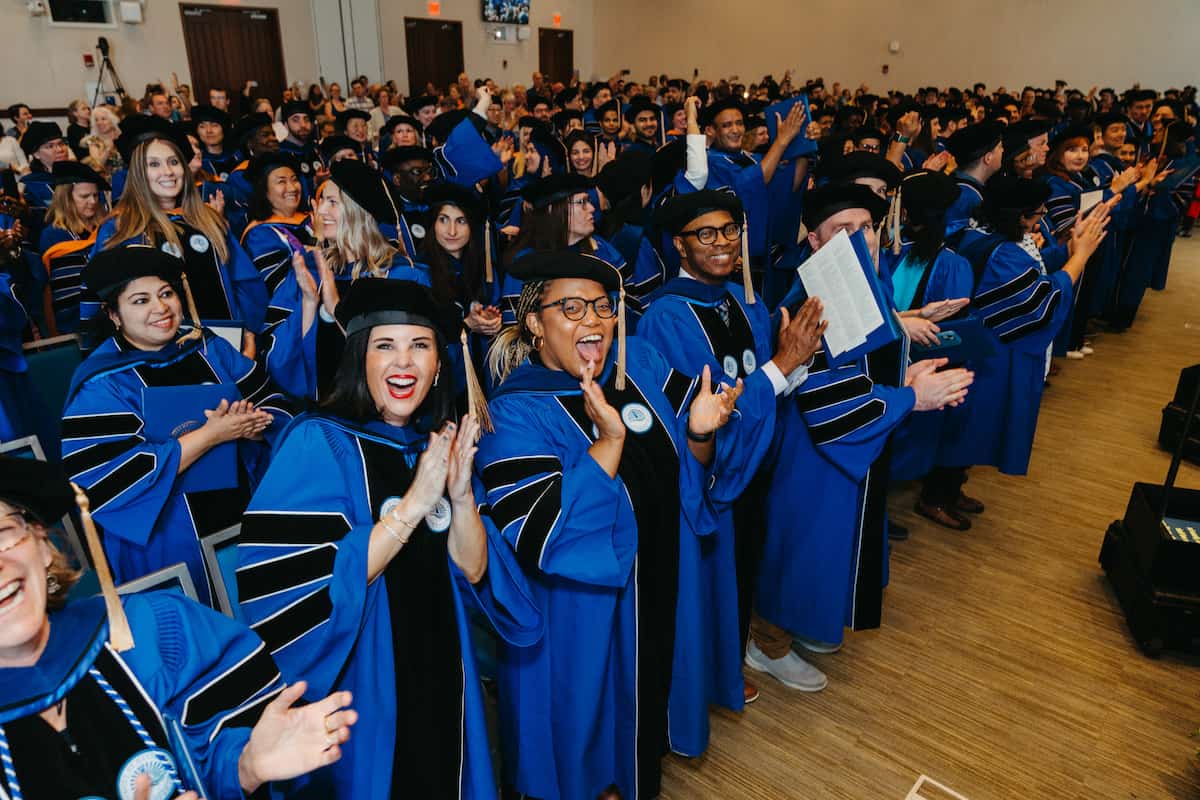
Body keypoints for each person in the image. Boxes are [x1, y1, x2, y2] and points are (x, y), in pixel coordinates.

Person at [237, 278, 540, 798]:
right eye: (385, 346)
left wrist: (461, 495)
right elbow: (305, 588)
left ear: (439, 365)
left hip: (443, 667)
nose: (404, 363)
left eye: (419, 346)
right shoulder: (318, 441)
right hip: (361, 686)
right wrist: (416, 504)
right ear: (360, 359)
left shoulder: (432, 444)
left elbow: (472, 570)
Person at [478, 250, 745, 800]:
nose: (593, 321)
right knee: (591, 750)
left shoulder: (638, 366)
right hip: (584, 618)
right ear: (534, 323)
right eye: (571, 308)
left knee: (646, 716)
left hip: (659, 585)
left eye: (602, 307)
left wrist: (699, 432)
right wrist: (609, 442)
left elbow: (685, 477)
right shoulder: (512, 414)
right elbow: (545, 532)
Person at [0, 455, 358, 800]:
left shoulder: (152, 631)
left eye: (2, 533)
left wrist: (246, 767)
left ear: (42, 544)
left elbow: (222, 758)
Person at [753, 183, 973, 690]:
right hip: (811, 454)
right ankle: (767, 644)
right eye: (842, 230)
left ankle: (802, 624)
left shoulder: (867, 284)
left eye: (867, 227)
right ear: (813, 240)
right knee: (801, 544)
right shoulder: (807, 301)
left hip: (855, 447)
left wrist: (907, 362)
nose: (862, 239)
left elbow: (869, 364)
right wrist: (910, 399)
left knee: (834, 543)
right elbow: (827, 400)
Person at [639, 189, 826, 725]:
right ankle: (712, 673)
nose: (722, 243)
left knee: (746, 572)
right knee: (712, 584)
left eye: (729, 231)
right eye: (706, 234)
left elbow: (765, 384)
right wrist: (782, 363)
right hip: (710, 481)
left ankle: (738, 652)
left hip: (754, 468)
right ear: (680, 245)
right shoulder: (666, 318)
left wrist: (795, 361)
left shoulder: (744, 301)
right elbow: (708, 412)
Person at [62, 246, 296, 606]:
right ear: (114, 314)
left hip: (244, 509)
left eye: (166, 293)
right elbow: (104, 479)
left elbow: (272, 402)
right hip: (166, 534)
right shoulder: (102, 383)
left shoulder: (207, 347)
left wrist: (256, 425)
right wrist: (210, 436)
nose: (161, 308)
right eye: (140, 300)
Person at [941, 175, 1109, 478]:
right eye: (1038, 214)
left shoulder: (980, 235)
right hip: (992, 354)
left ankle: (950, 488)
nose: (1039, 221)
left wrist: (1069, 247)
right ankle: (940, 495)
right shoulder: (1002, 252)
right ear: (1020, 215)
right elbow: (1041, 300)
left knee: (972, 424)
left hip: (980, 347)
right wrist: (1081, 256)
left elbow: (1033, 270)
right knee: (973, 426)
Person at [88, 127, 267, 344]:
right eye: (154, 164)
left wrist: (248, 331)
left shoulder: (207, 219)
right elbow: (105, 303)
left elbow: (245, 282)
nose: (168, 171)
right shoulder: (120, 228)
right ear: (138, 174)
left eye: (174, 162)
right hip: (158, 354)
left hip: (226, 344)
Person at [877, 169, 977, 530]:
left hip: (887, 356)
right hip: (921, 364)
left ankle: (879, 509)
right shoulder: (952, 263)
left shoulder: (889, 249)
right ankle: (879, 513)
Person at [499, 174, 627, 325]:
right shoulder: (527, 265)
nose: (592, 208)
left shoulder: (603, 250)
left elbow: (627, 307)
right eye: (582, 202)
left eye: (589, 201)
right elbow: (516, 328)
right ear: (553, 209)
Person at [38, 161, 109, 335]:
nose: (92, 201)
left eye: (95, 195)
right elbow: (62, 294)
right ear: (66, 198)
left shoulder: (106, 228)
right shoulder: (53, 235)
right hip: (74, 324)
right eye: (84, 196)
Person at [240, 151, 315, 295]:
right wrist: (317, 238)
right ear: (264, 190)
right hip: (297, 311)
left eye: (294, 179)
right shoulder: (259, 234)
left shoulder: (311, 219)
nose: (292, 188)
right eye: (281, 181)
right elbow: (279, 285)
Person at [943, 121, 1005, 236]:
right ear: (988, 158)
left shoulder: (962, 186)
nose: (1003, 150)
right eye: (1000, 147)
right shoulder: (967, 197)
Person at [191, 104, 237, 179]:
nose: (209, 131)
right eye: (202, 126)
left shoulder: (237, 157)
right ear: (197, 131)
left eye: (214, 125)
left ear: (224, 129)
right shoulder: (197, 163)